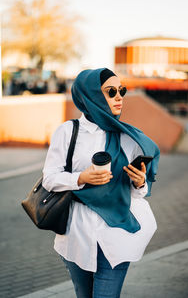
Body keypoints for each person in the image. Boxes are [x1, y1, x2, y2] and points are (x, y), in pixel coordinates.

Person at [42, 68, 160, 298]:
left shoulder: (128, 137)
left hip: (117, 233)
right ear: (91, 95)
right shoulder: (68, 132)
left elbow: (137, 193)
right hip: (77, 234)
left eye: (122, 90)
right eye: (111, 91)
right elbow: (49, 178)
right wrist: (80, 178)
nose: (119, 97)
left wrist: (139, 183)